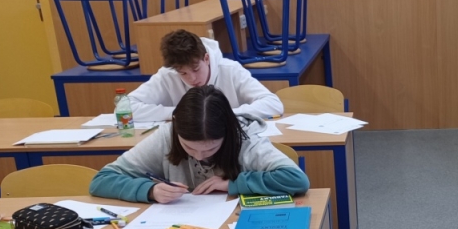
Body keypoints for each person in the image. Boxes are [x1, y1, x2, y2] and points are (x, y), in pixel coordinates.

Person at [90, 86, 308, 204]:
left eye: (210, 149)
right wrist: (149, 190)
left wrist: (233, 183)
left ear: (227, 133)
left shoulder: (244, 139)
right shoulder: (166, 136)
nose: (200, 156)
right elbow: (102, 180)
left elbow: (296, 179)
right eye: (190, 148)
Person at [127, 29, 283, 120]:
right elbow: (126, 109)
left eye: (196, 69)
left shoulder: (231, 70)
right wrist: (179, 114)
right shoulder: (167, 74)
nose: (192, 79)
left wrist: (226, 115)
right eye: (183, 73)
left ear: (206, 58)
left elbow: (273, 104)